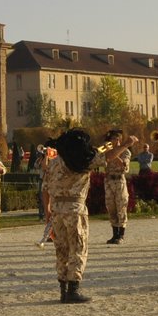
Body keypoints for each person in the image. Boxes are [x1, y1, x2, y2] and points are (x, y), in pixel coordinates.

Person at [43, 128, 99, 303]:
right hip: (75, 209)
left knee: (61, 249)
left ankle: (63, 289)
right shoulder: (82, 161)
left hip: (58, 210)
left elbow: (44, 188)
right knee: (78, 248)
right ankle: (73, 289)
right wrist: (127, 144)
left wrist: (47, 209)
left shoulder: (53, 163)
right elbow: (107, 157)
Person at [100, 128, 137, 244]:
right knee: (111, 208)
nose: (115, 140)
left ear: (120, 139)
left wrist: (113, 153)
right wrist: (108, 151)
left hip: (119, 181)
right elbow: (102, 161)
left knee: (121, 208)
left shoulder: (126, 151)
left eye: (117, 138)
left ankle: (121, 235)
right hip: (109, 181)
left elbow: (124, 166)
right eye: (112, 139)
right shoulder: (106, 152)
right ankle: (114, 234)